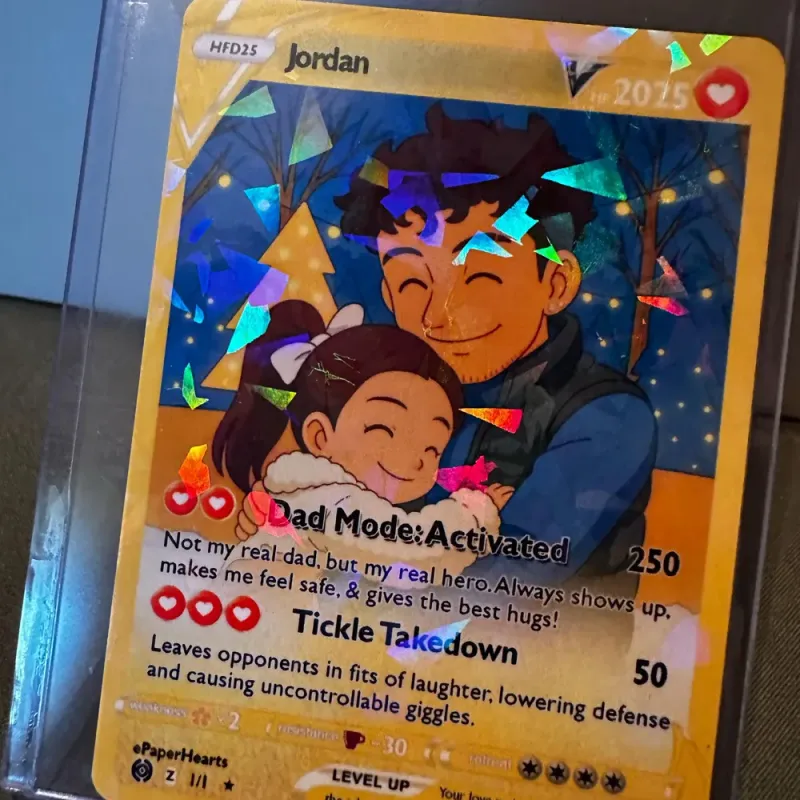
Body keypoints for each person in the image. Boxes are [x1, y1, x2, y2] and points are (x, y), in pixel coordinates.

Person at [335, 104, 657, 587]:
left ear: (556, 284)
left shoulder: (607, 416)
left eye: (481, 277)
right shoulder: (390, 400)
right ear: (387, 294)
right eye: (411, 282)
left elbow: (509, 585)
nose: (437, 315)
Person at [212, 300, 514, 580]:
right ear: (319, 436)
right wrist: (475, 515)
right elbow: (409, 551)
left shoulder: (309, 492)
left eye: (432, 448)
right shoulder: (330, 500)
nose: (418, 459)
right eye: (387, 431)